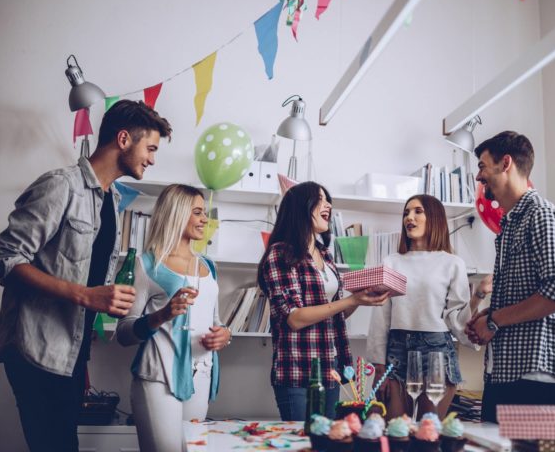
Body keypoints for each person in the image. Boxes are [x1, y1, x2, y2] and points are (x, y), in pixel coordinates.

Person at [0, 99, 172, 452]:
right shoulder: (61, 186)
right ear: (123, 138)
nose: (152, 159)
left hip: (72, 351)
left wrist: (107, 301)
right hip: (36, 349)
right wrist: (85, 295)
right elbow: (6, 257)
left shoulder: (109, 201)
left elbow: (88, 275)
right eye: (150, 148)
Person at [465, 131, 555, 423]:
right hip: (506, 370)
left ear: (505, 163)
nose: (479, 177)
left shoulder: (540, 215)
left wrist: (493, 320)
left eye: (482, 166)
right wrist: (490, 315)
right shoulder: (511, 222)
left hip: (532, 374)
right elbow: (530, 294)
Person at [257, 181, 389, 420]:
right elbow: (295, 318)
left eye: (328, 199)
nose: (328, 204)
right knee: (302, 444)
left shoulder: (325, 254)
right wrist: (350, 301)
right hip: (297, 370)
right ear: (301, 207)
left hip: (331, 368)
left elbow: (334, 313)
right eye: (320, 199)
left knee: (326, 442)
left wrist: (359, 299)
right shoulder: (280, 253)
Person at [116, 184, 231, 452]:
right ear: (177, 214)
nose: (205, 219)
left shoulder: (208, 265)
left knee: (192, 449)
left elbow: (217, 320)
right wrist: (163, 314)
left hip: (201, 376)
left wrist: (225, 334)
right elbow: (123, 333)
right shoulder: (147, 264)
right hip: (158, 376)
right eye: (198, 212)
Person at [366, 194, 482, 420]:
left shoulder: (452, 263)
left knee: (428, 435)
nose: (409, 217)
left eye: (418, 211)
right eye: (406, 213)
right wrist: (379, 364)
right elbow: (381, 317)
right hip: (396, 353)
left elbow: (457, 318)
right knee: (395, 433)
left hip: (437, 352)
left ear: (435, 218)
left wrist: (479, 297)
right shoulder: (391, 262)